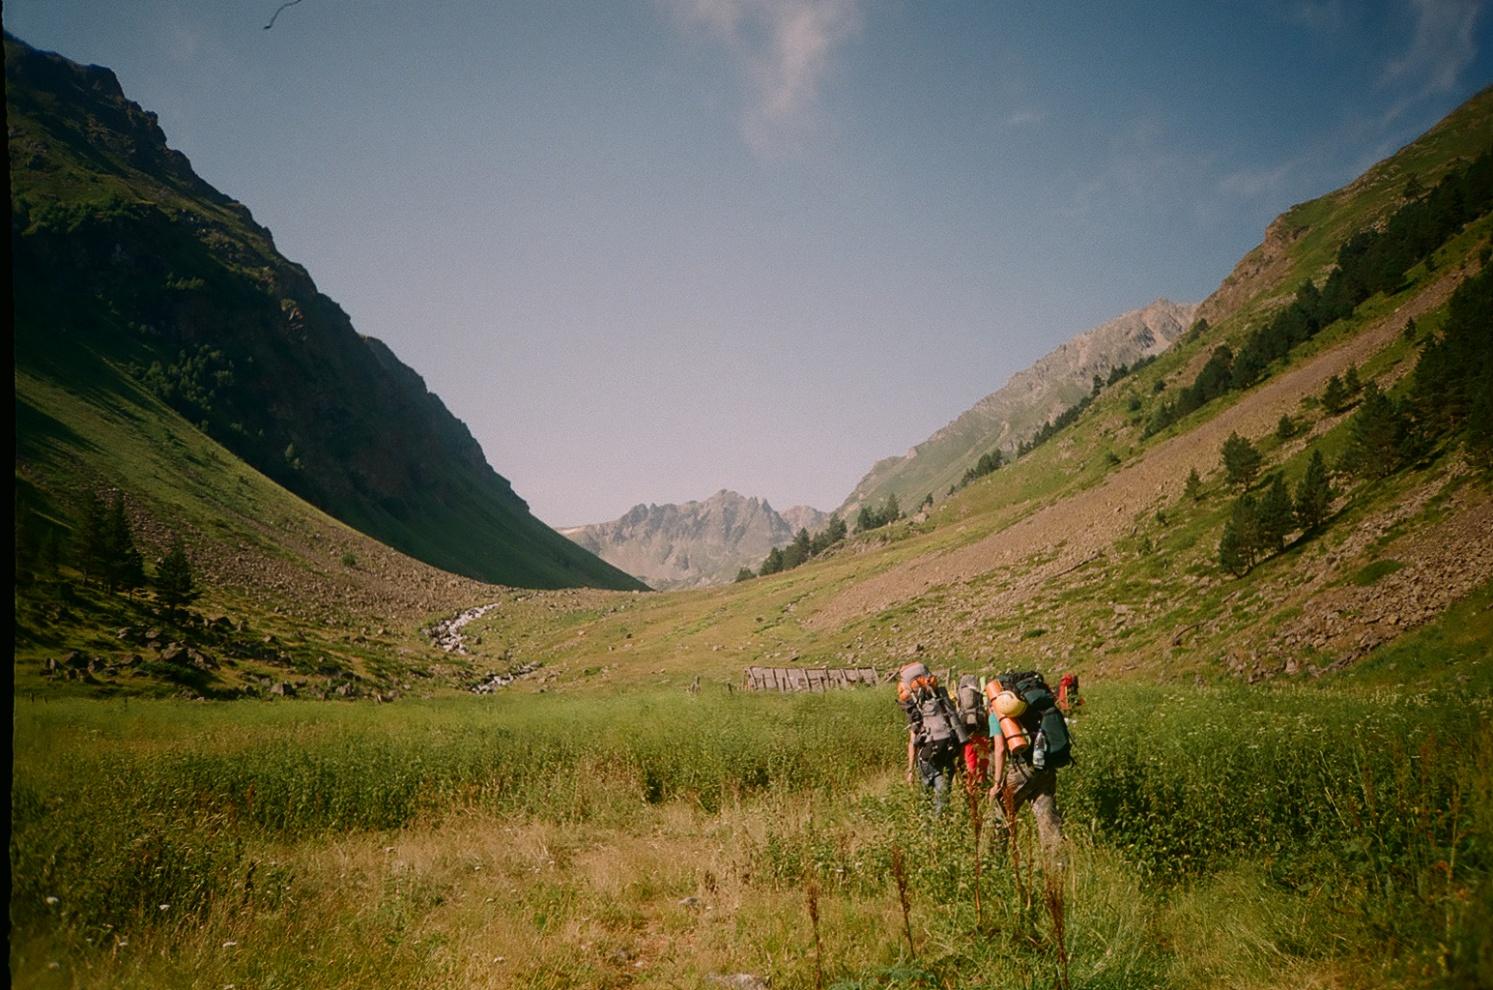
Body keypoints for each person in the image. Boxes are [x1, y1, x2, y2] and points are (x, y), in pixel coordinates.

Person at [987, 685, 1064, 855]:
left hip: (1022, 769)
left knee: (1000, 814)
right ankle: (1057, 867)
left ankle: (993, 860)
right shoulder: (1027, 708)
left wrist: (996, 783)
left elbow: (999, 750)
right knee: (1048, 820)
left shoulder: (997, 715)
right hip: (1045, 766)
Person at [897, 662, 964, 814]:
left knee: (925, 795)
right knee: (943, 793)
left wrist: (910, 770)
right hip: (948, 749)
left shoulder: (915, 708)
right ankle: (942, 824)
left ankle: (928, 827)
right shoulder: (941, 698)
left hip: (928, 753)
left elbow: (913, 741)